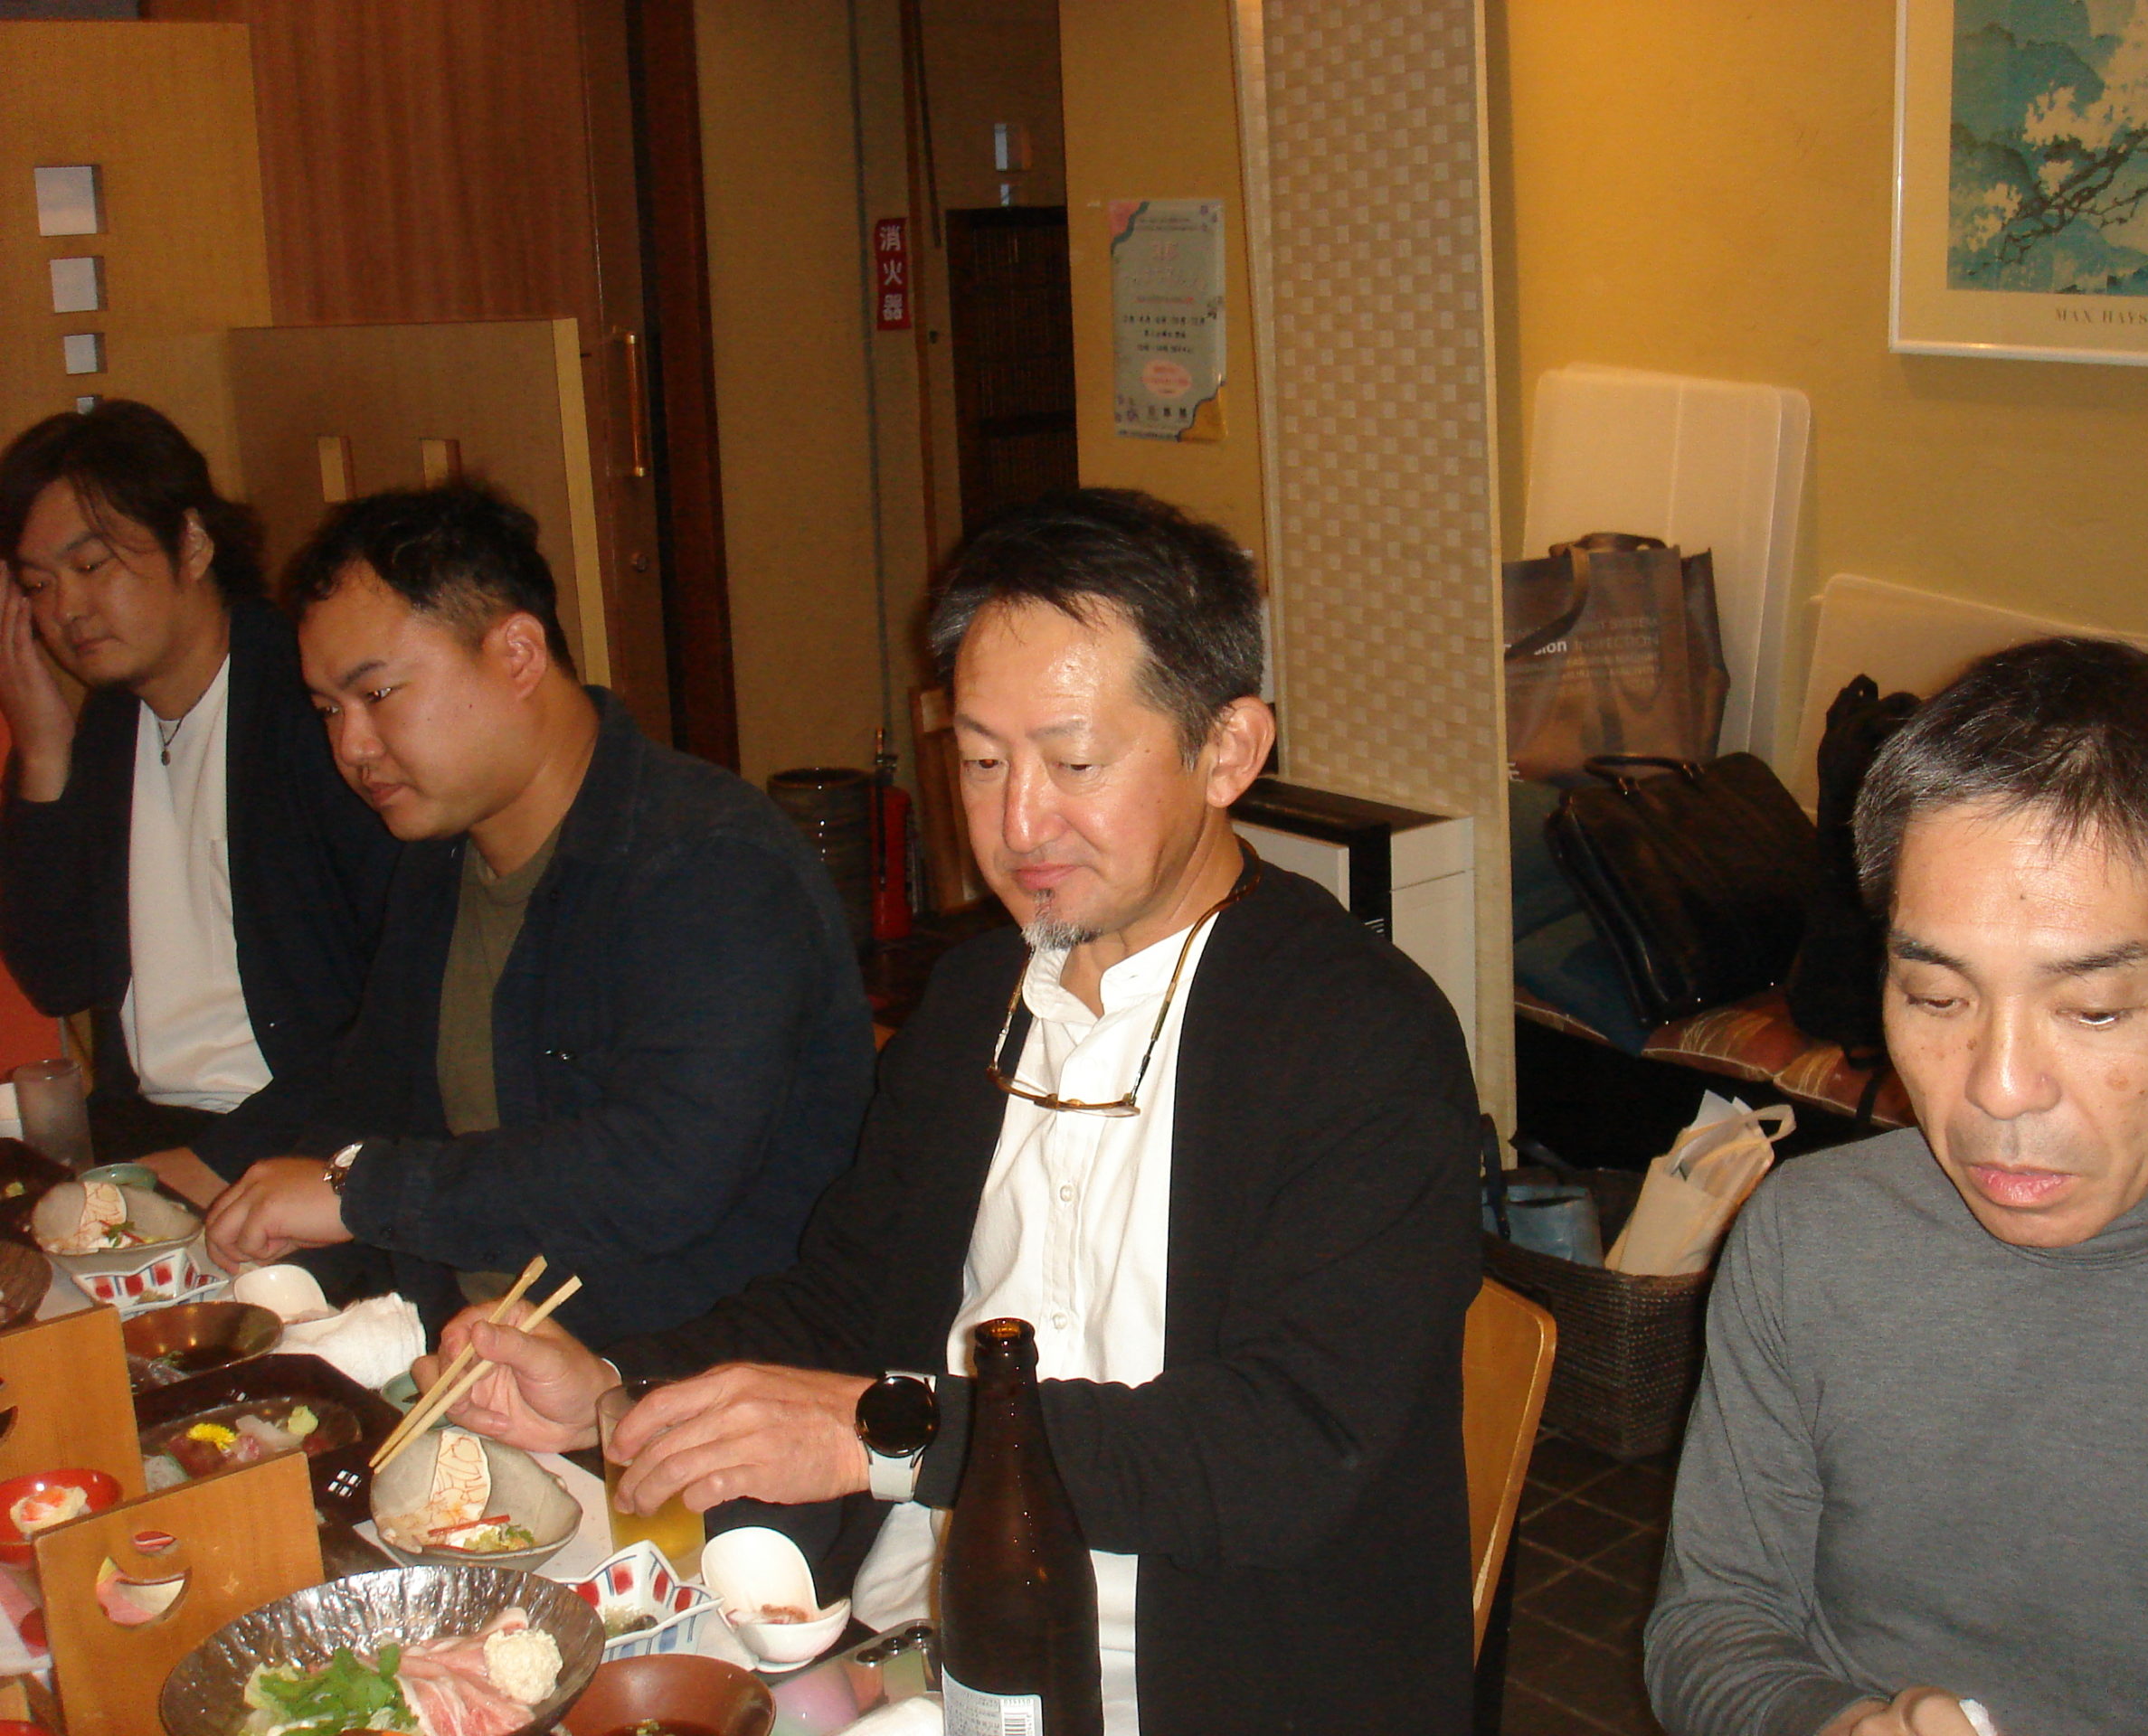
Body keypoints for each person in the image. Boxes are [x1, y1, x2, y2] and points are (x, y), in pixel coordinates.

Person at [421, 488, 1481, 1733]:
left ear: (1228, 751)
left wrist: (891, 1436)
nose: (1016, 823)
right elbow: (848, 1296)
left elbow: (1282, 1449)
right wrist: (614, 1381)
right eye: (981, 761)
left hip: (1196, 1681)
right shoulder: (981, 996)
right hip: (917, 1649)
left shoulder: (1361, 1039)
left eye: (1073, 763)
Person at [1644, 637, 2148, 1736]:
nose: (1997, 1090)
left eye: (2092, 1010)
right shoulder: (1808, 1241)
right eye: (1936, 997)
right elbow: (1715, 1624)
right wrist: (1832, 1724)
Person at [196, 481, 875, 1344]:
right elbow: (369, 1094)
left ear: (517, 655)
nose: (351, 748)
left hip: (665, 1372)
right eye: (329, 710)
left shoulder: (708, 862)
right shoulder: (442, 856)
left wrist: (354, 1193)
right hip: (463, 1345)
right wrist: (261, 1218)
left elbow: (662, 1173)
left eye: (379, 696)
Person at [0, 401, 398, 1175]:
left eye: (91, 566)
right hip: (147, 1134)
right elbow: (59, 977)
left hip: (305, 1140)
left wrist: (213, 1164)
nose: (65, 610)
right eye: (37, 585)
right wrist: (43, 750)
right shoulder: (113, 722)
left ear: (191, 542)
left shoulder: (312, 708)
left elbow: (400, 1009)